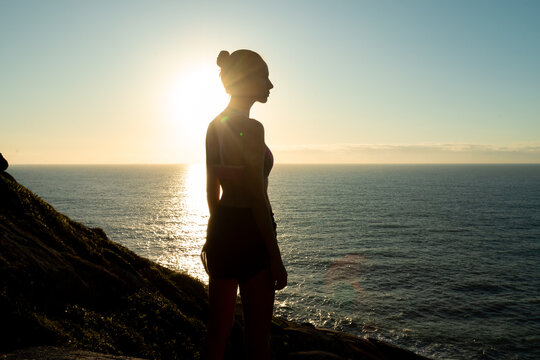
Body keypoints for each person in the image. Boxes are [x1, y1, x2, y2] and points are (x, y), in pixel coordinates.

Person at [201, 49, 287, 360]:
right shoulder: (252, 129)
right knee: (258, 341)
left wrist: (214, 234)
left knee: (216, 335)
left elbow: (211, 189)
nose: (270, 85)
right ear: (247, 79)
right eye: (264, 77)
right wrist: (275, 256)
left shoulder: (215, 124)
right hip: (251, 233)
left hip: (223, 228)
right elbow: (256, 196)